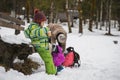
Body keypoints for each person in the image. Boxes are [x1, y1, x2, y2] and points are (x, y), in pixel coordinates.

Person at [24, 9, 57, 75]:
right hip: (41, 46)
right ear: (38, 21)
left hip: (41, 45)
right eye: (43, 22)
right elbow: (35, 33)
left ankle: (53, 71)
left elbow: (37, 35)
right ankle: (52, 73)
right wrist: (46, 30)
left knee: (49, 58)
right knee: (48, 59)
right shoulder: (35, 28)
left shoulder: (36, 27)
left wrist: (48, 36)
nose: (44, 23)